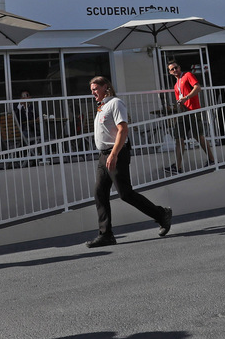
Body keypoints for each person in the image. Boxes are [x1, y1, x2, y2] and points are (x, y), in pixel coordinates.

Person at [85, 76, 172, 248]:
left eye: (95, 88)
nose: (93, 92)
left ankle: (161, 214)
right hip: (104, 155)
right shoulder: (102, 107)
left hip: (116, 153)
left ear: (105, 87)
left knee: (125, 193)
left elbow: (123, 130)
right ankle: (106, 234)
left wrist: (114, 154)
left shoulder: (116, 103)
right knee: (99, 192)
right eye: (92, 89)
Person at [165, 59, 215, 173]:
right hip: (183, 113)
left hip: (193, 111)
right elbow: (180, 100)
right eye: (172, 69)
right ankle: (177, 167)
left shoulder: (188, 75)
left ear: (179, 67)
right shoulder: (176, 85)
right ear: (170, 72)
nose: (175, 70)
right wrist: (179, 108)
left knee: (199, 136)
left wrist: (186, 97)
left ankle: (212, 160)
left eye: (176, 67)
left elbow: (197, 88)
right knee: (179, 138)